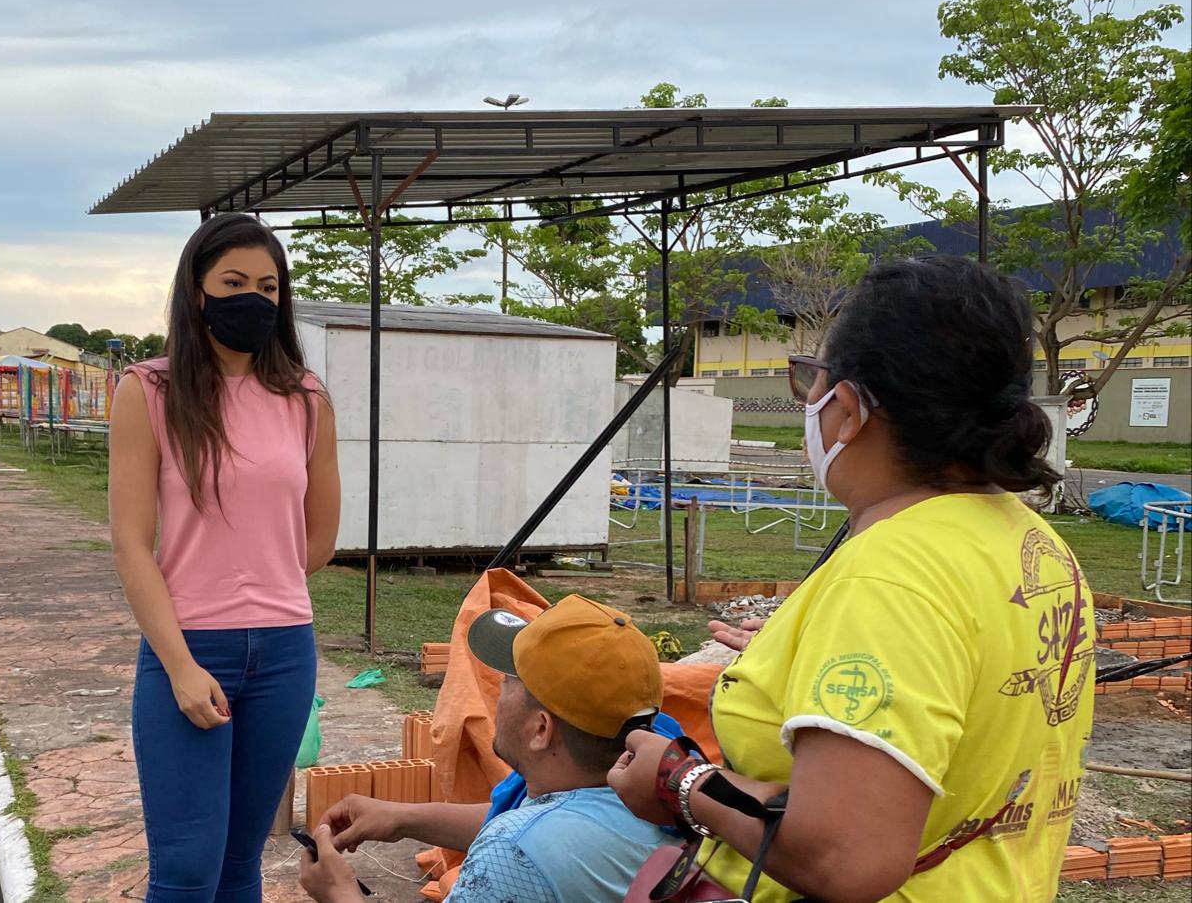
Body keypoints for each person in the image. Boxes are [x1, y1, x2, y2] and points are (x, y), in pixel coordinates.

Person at [609, 256, 1096, 903]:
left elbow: (844, 855)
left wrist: (681, 780)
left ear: (846, 407)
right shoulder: (1035, 544)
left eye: (810, 379)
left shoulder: (892, 572)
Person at [110, 213, 340, 902]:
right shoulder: (147, 391)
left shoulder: (306, 397)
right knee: (185, 871)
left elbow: (319, 538)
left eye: (269, 286)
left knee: (241, 865)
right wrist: (181, 664)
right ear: (197, 291)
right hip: (188, 649)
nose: (254, 298)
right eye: (234, 281)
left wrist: (257, 581)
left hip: (284, 653)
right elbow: (129, 541)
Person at [299, 594, 679, 903]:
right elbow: (552, 826)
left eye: (510, 680)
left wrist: (340, 895)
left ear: (540, 729)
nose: (497, 689)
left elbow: (527, 844)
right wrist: (403, 818)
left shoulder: (515, 852)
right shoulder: (658, 776)